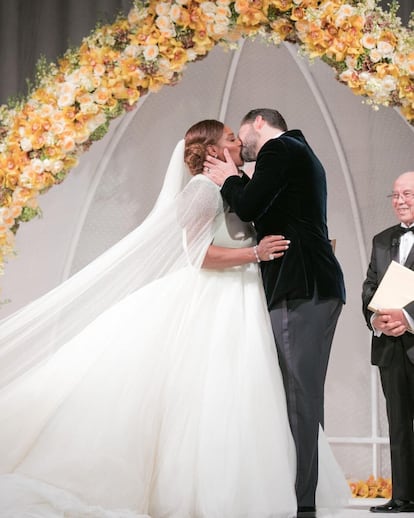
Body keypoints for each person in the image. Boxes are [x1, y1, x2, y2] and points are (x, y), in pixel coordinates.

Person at [0, 119, 348, 518]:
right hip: (219, 298)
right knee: (214, 395)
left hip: (245, 298)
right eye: (230, 139)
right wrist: (254, 253)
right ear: (215, 151)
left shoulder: (234, 185)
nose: (238, 143)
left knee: (253, 391)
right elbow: (198, 255)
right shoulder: (201, 190)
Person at [204, 108, 346, 518]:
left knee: (299, 399)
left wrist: (229, 179)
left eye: (241, 134)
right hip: (315, 287)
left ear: (259, 124)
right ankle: (297, 494)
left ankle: (302, 503)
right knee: (298, 397)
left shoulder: (279, 148)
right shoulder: (301, 153)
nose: (241, 146)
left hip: (300, 288)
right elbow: (268, 208)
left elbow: (248, 207)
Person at [362, 171, 414, 514]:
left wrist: (408, 318)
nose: (400, 201)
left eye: (407, 194)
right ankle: (403, 496)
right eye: (395, 195)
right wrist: (376, 319)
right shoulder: (382, 240)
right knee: (398, 422)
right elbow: (369, 286)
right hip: (390, 348)